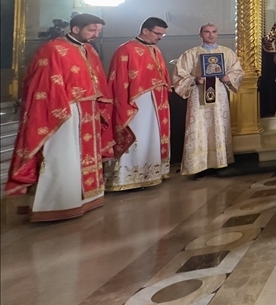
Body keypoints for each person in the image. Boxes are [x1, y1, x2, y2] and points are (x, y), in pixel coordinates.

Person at [4, 13, 114, 221]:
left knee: (84, 156)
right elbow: (43, 85)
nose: (95, 35)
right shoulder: (53, 49)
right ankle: (58, 202)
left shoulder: (89, 49)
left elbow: (97, 80)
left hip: (88, 111)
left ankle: (87, 198)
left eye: (98, 31)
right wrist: (61, 108)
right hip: (64, 112)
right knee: (64, 155)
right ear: (75, 29)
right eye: (91, 30)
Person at [107, 17, 172, 191]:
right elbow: (118, 81)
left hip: (157, 103)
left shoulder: (155, 50)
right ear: (145, 31)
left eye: (163, 34)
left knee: (153, 135)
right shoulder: (126, 50)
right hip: (136, 103)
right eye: (158, 33)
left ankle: (151, 173)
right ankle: (128, 178)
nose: (160, 37)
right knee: (140, 135)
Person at [172, 24, 243, 177]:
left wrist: (228, 77)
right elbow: (179, 76)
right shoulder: (191, 54)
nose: (211, 35)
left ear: (217, 34)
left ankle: (220, 161)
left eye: (214, 32)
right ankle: (198, 164)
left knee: (218, 124)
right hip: (198, 95)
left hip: (219, 95)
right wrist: (195, 79)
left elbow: (237, 71)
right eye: (207, 32)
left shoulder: (227, 53)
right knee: (198, 126)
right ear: (200, 34)